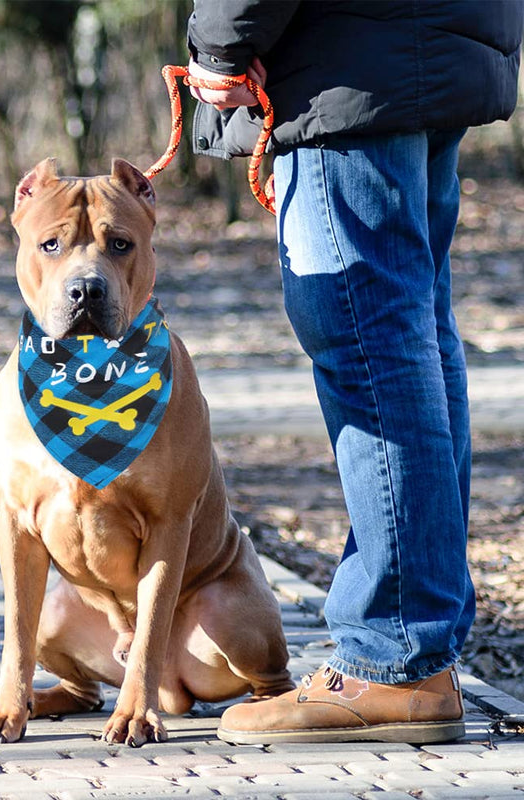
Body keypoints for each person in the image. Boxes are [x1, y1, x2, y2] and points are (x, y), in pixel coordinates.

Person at [186, 0, 523, 744]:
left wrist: (220, 44)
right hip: (422, 43)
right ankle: (418, 648)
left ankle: (394, 658)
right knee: (414, 340)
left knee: (371, 341)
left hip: (347, 64)